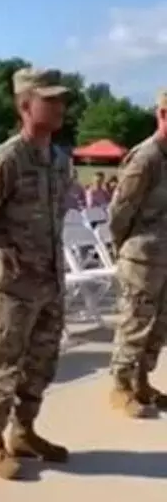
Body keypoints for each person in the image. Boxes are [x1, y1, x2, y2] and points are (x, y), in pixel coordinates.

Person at [0, 67, 71, 481]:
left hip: (48, 280)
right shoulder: (5, 160)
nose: (59, 107)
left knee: (41, 363)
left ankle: (23, 430)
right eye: (50, 99)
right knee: (2, 366)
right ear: (25, 105)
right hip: (11, 286)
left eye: (62, 99)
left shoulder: (58, 160)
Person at [108, 90, 167, 417]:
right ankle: (121, 386)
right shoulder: (145, 158)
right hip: (142, 257)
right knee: (135, 322)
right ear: (162, 114)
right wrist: (127, 250)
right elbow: (119, 212)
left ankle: (142, 380)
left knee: (160, 325)